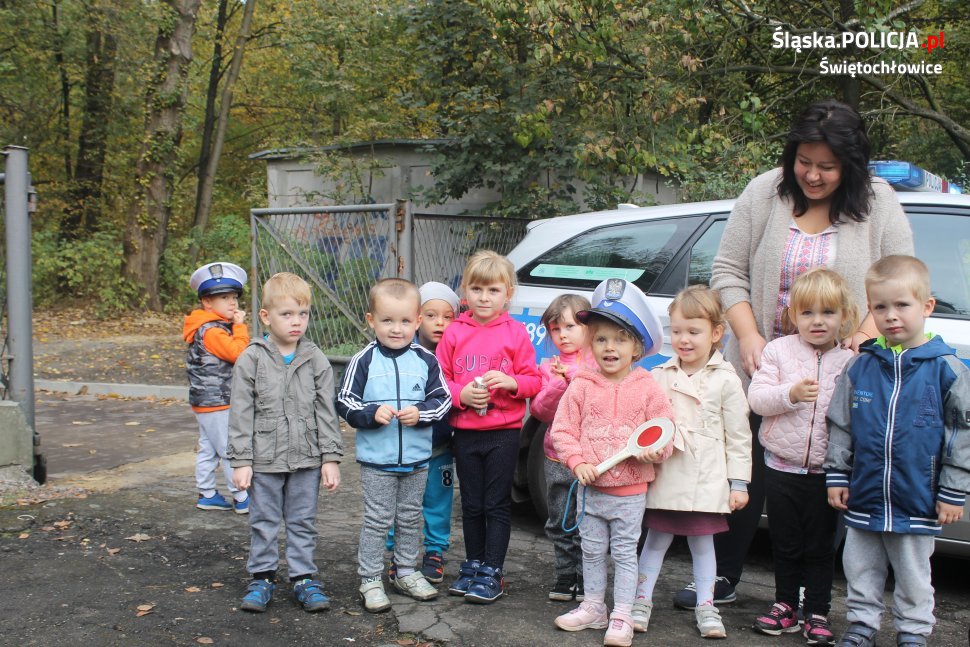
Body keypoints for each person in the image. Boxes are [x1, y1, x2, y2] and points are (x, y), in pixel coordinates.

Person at [700, 98, 915, 608]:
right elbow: (727, 271)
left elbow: (898, 276)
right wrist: (750, 336)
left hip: (837, 375)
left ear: (851, 165)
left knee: (822, 482)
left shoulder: (879, 202)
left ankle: (807, 590)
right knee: (741, 469)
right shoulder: (763, 192)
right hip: (761, 366)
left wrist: (864, 335)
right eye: (804, 162)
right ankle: (722, 575)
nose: (812, 176)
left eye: (827, 166)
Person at [825, 256, 970, 647]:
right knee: (860, 566)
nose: (892, 316)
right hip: (865, 493)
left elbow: (962, 435)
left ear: (927, 307)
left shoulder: (948, 369)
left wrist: (952, 491)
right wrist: (838, 475)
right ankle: (861, 625)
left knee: (912, 572)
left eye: (902, 305)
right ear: (870, 310)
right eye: (881, 307)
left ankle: (913, 631)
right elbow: (842, 424)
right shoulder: (861, 366)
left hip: (917, 497)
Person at [550, 278, 674, 647]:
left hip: (630, 492)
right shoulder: (582, 384)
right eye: (602, 338)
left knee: (623, 551)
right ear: (592, 342)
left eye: (620, 339)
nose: (610, 347)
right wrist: (575, 462)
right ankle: (593, 606)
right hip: (591, 489)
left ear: (637, 347)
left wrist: (655, 452)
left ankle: (621, 611)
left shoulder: (649, 386)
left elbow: (664, 432)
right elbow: (562, 431)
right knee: (590, 549)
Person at [633, 285, 751, 640]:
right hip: (667, 473)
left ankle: (706, 604)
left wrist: (739, 483)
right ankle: (640, 600)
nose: (684, 340)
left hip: (705, 478)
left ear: (716, 333)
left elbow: (739, 437)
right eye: (678, 331)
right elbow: (648, 425)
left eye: (694, 331)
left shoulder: (727, 379)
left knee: (704, 544)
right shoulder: (660, 376)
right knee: (655, 539)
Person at [747, 268, 858, 644]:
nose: (817, 321)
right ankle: (784, 605)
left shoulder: (850, 362)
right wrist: (789, 395)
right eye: (807, 312)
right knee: (786, 542)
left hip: (827, 474)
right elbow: (757, 399)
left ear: (845, 316)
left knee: (821, 546)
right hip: (781, 467)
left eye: (828, 312)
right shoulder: (778, 351)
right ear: (792, 315)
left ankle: (818, 610)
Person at [228, 272, 342, 613]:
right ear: (266, 316)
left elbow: (326, 411)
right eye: (287, 314)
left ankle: (304, 578)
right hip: (263, 460)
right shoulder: (252, 357)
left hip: (307, 459)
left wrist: (330, 457)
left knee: (302, 520)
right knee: (263, 520)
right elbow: (240, 412)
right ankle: (261, 577)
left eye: (302, 314)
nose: (296, 322)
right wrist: (241, 460)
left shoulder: (315, 358)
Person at [336, 278, 452, 613]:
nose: (397, 329)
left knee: (410, 517)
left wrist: (422, 413)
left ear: (417, 321)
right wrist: (371, 413)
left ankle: (405, 571)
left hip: (417, 459)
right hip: (377, 461)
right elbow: (344, 401)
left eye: (404, 321)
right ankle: (370, 578)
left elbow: (442, 400)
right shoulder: (363, 360)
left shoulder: (426, 360)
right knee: (377, 519)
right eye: (387, 320)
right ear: (371, 320)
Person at [435, 250, 542, 604]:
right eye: (478, 289)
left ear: (508, 293)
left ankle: (492, 570)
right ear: (465, 290)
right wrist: (462, 394)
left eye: (493, 291)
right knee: (471, 503)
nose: (484, 298)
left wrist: (511, 383)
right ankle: (473, 564)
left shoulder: (515, 333)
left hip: (504, 433)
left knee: (496, 504)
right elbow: (439, 381)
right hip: (464, 431)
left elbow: (533, 381)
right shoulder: (454, 332)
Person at [385, 281, 461, 585]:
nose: (439, 323)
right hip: (404, 447)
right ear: (418, 319)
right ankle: (397, 554)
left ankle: (434, 552)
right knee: (399, 504)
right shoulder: (402, 352)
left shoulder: (457, 352)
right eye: (431, 315)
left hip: (440, 447)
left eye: (448, 316)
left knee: (438, 502)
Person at [530, 293, 594, 603]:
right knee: (559, 518)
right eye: (556, 329)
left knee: (588, 519)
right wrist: (558, 383)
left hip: (592, 457)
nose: (563, 335)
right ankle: (565, 573)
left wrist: (576, 379)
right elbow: (540, 411)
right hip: (556, 454)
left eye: (570, 326)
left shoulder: (599, 362)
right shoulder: (548, 366)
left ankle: (587, 577)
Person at [183, 261, 251, 513]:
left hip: (206, 401)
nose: (232, 303)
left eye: (234, 297)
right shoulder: (212, 330)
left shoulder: (208, 326)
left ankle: (207, 493)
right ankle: (242, 497)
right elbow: (238, 354)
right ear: (207, 303)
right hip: (218, 401)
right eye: (224, 298)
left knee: (209, 448)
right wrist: (240, 327)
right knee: (229, 448)